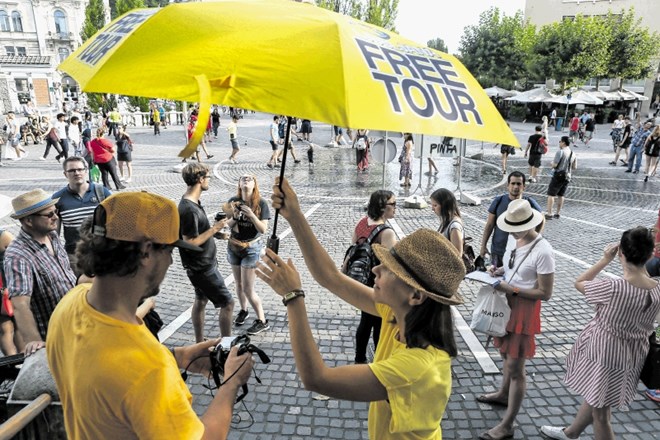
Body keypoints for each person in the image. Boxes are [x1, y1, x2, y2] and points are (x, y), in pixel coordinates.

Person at [257, 177, 466, 440]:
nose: (376, 269)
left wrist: (293, 296)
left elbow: (317, 379)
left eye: (390, 269)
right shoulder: (398, 316)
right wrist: (295, 215)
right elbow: (330, 277)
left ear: (415, 295)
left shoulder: (417, 367)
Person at [46, 191, 254, 439]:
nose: (171, 262)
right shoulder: (148, 369)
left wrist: (176, 356)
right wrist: (231, 384)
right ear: (146, 251)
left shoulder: (70, 303)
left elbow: (108, 369)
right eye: (168, 250)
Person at [540, 227, 660, 440]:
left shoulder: (614, 287)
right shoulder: (656, 289)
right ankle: (571, 433)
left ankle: (573, 433)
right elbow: (643, 278)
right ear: (651, 254)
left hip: (605, 353)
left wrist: (605, 260)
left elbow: (579, 282)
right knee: (598, 396)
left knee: (601, 414)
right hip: (633, 355)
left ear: (621, 253)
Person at [478, 199, 555, 440]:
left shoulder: (543, 250)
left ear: (529, 223)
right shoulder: (516, 239)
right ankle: (503, 394)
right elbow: (514, 269)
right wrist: (500, 272)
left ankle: (508, 424)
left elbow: (546, 293)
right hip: (508, 304)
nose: (511, 231)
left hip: (523, 309)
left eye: (515, 227)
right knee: (505, 357)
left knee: (516, 368)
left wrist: (513, 290)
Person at [3, 189, 77, 355]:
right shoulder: (18, 254)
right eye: (49, 214)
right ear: (29, 221)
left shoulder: (53, 236)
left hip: (76, 325)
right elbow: (20, 304)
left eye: (56, 211)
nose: (56, 217)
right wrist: (33, 340)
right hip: (56, 338)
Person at [178, 163, 234, 342]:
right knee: (228, 303)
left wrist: (216, 234)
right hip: (201, 267)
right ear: (200, 180)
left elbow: (197, 234)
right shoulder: (188, 209)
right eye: (208, 177)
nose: (209, 180)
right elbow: (189, 242)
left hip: (204, 263)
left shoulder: (193, 203)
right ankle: (226, 345)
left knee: (201, 300)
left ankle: (199, 341)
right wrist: (215, 227)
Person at [347, 190, 397, 364]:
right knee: (379, 324)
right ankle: (378, 361)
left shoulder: (362, 223)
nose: (395, 208)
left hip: (361, 280)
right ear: (383, 207)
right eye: (393, 204)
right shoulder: (387, 232)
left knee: (365, 320)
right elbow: (391, 265)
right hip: (377, 283)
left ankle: (359, 358)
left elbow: (353, 247)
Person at [224, 175, 271, 335]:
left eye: (249, 179)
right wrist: (235, 217)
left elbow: (263, 230)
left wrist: (251, 215)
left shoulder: (261, 203)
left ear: (254, 184)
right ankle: (243, 310)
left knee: (248, 289)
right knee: (238, 284)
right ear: (239, 184)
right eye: (242, 178)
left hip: (252, 248)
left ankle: (262, 320)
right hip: (234, 245)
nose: (245, 180)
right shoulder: (232, 200)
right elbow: (226, 224)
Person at [53, 157, 112, 274]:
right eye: (72, 170)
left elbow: (115, 222)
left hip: (102, 253)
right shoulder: (58, 199)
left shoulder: (102, 192)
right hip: (74, 258)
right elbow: (54, 233)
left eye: (80, 169)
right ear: (65, 174)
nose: (77, 173)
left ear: (86, 171)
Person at [480, 171, 542, 268]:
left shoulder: (529, 203)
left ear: (524, 186)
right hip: (498, 252)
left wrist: (535, 237)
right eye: (513, 183)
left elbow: (541, 219)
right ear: (508, 185)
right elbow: (489, 225)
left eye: (519, 184)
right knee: (494, 276)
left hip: (519, 253)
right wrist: (483, 246)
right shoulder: (498, 201)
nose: (516, 187)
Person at [545, 136, 577, 220]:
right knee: (561, 195)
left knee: (551, 194)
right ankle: (558, 213)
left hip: (558, 175)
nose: (559, 143)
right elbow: (574, 167)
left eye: (560, 141)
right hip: (567, 176)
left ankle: (549, 213)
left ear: (563, 142)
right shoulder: (573, 153)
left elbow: (555, 165)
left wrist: (551, 163)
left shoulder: (560, 152)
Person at [0, 229, 21, 355]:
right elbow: (17, 257)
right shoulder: (4, 236)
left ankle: (10, 364)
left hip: (3, 289)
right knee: (16, 325)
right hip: (7, 287)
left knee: (4, 328)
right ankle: (21, 360)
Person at [430, 188, 464, 255]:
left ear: (445, 206)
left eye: (435, 205)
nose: (432, 209)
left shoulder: (454, 226)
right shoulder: (446, 221)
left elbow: (457, 255)